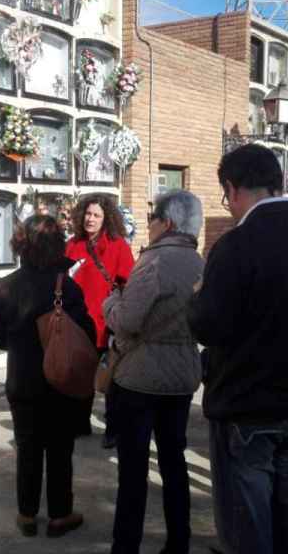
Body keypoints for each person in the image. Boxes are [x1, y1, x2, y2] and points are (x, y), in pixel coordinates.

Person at [188, 144, 288, 554]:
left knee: (250, 529)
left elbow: (208, 326)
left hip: (248, 406)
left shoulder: (236, 246)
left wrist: (197, 297)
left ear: (232, 188)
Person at [103, 190, 205, 554]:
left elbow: (127, 321)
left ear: (168, 223)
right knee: (174, 462)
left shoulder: (155, 262)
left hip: (141, 378)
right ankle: (180, 541)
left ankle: (125, 545)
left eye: (152, 219)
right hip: (181, 378)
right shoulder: (200, 263)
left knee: (133, 469)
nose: (149, 226)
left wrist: (110, 302)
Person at [0, 215, 96, 539]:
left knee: (28, 448)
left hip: (22, 382)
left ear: (20, 244)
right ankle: (59, 515)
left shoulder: (6, 287)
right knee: (59, 450)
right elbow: (87, 334)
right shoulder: (68, 287)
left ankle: (26, 514)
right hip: (59, 381)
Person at [65, 195, 135, 448]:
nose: (90, 219)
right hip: (78, 324)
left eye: (96, 215)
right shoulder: (73, 245)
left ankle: (113, 429)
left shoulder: (118, 246)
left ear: (106, 219)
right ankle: (79, 422)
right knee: (79, 377)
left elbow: (129, 283)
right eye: (87, 214)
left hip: (107, 324)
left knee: (110, 380)